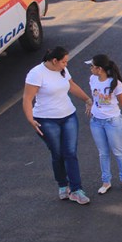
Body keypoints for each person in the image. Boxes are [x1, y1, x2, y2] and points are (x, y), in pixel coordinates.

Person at [23, 47, 93, 205]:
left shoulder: (62, 70)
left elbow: (71, 85)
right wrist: (30, 119)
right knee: (58, 153)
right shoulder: (36, 74)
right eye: (64, 61)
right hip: (46, 119)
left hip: (68, 116)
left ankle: (76, 189)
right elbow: (27, 99)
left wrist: (87, 100)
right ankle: (62, 185)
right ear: (54, 60)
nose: (66, 64)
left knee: (70, 153)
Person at [86, 54, 122, 194]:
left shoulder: (115, 83)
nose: (90, 69)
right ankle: (106, 181)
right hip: (96, 121)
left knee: (118, 151)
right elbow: (94, 97)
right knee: (103, 153)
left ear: (99, 69)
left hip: (112, 121)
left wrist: (108, 107)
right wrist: (92, 106)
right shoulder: (93, 79)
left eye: (92, 66)